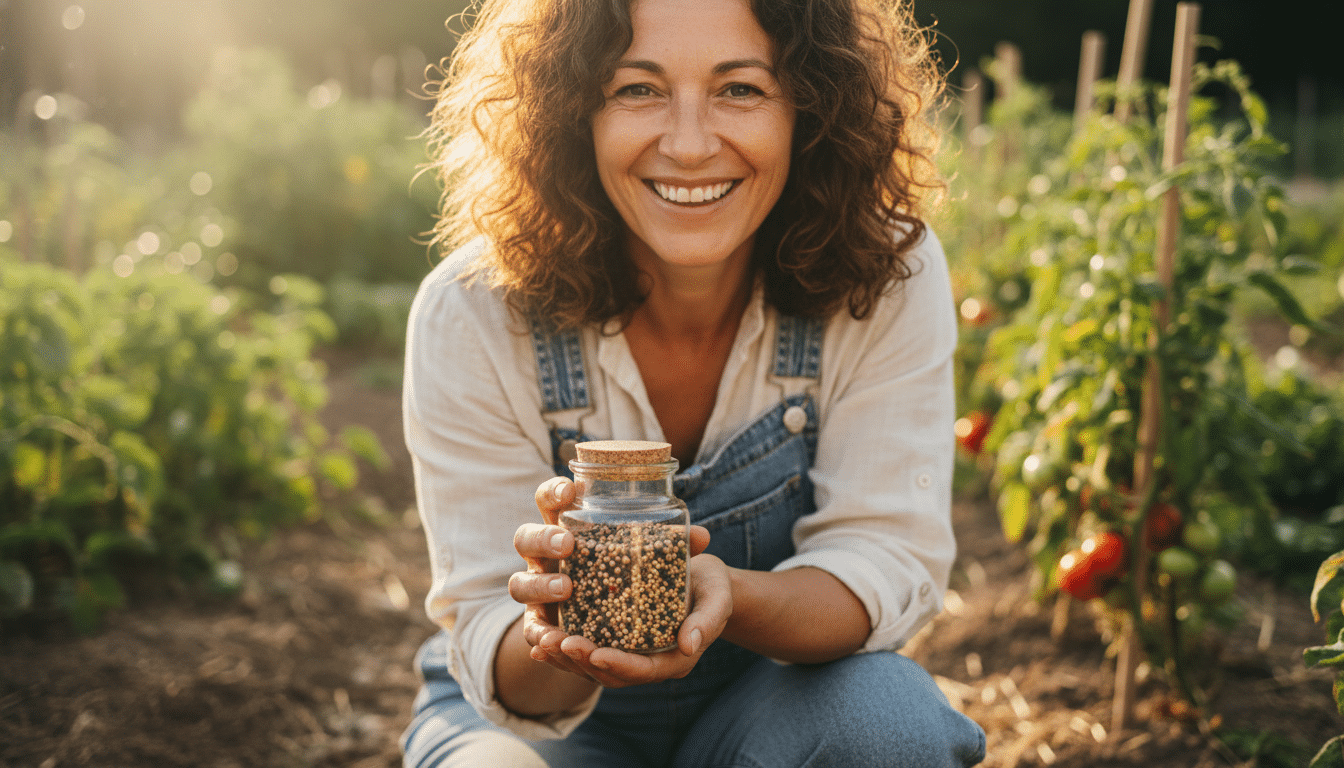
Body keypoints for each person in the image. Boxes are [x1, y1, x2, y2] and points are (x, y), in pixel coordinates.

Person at [400, 0, 987, 764]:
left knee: (888, 728)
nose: (687, 144)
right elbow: (499, 657)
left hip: (774, 700)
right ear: (574, 111)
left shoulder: (882, 276)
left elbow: (881, 559)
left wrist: (726, 596)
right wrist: (559, 621)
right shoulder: (474, 310)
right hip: (544, 732)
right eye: (636, 89)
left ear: (810, 108)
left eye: (739, 89)